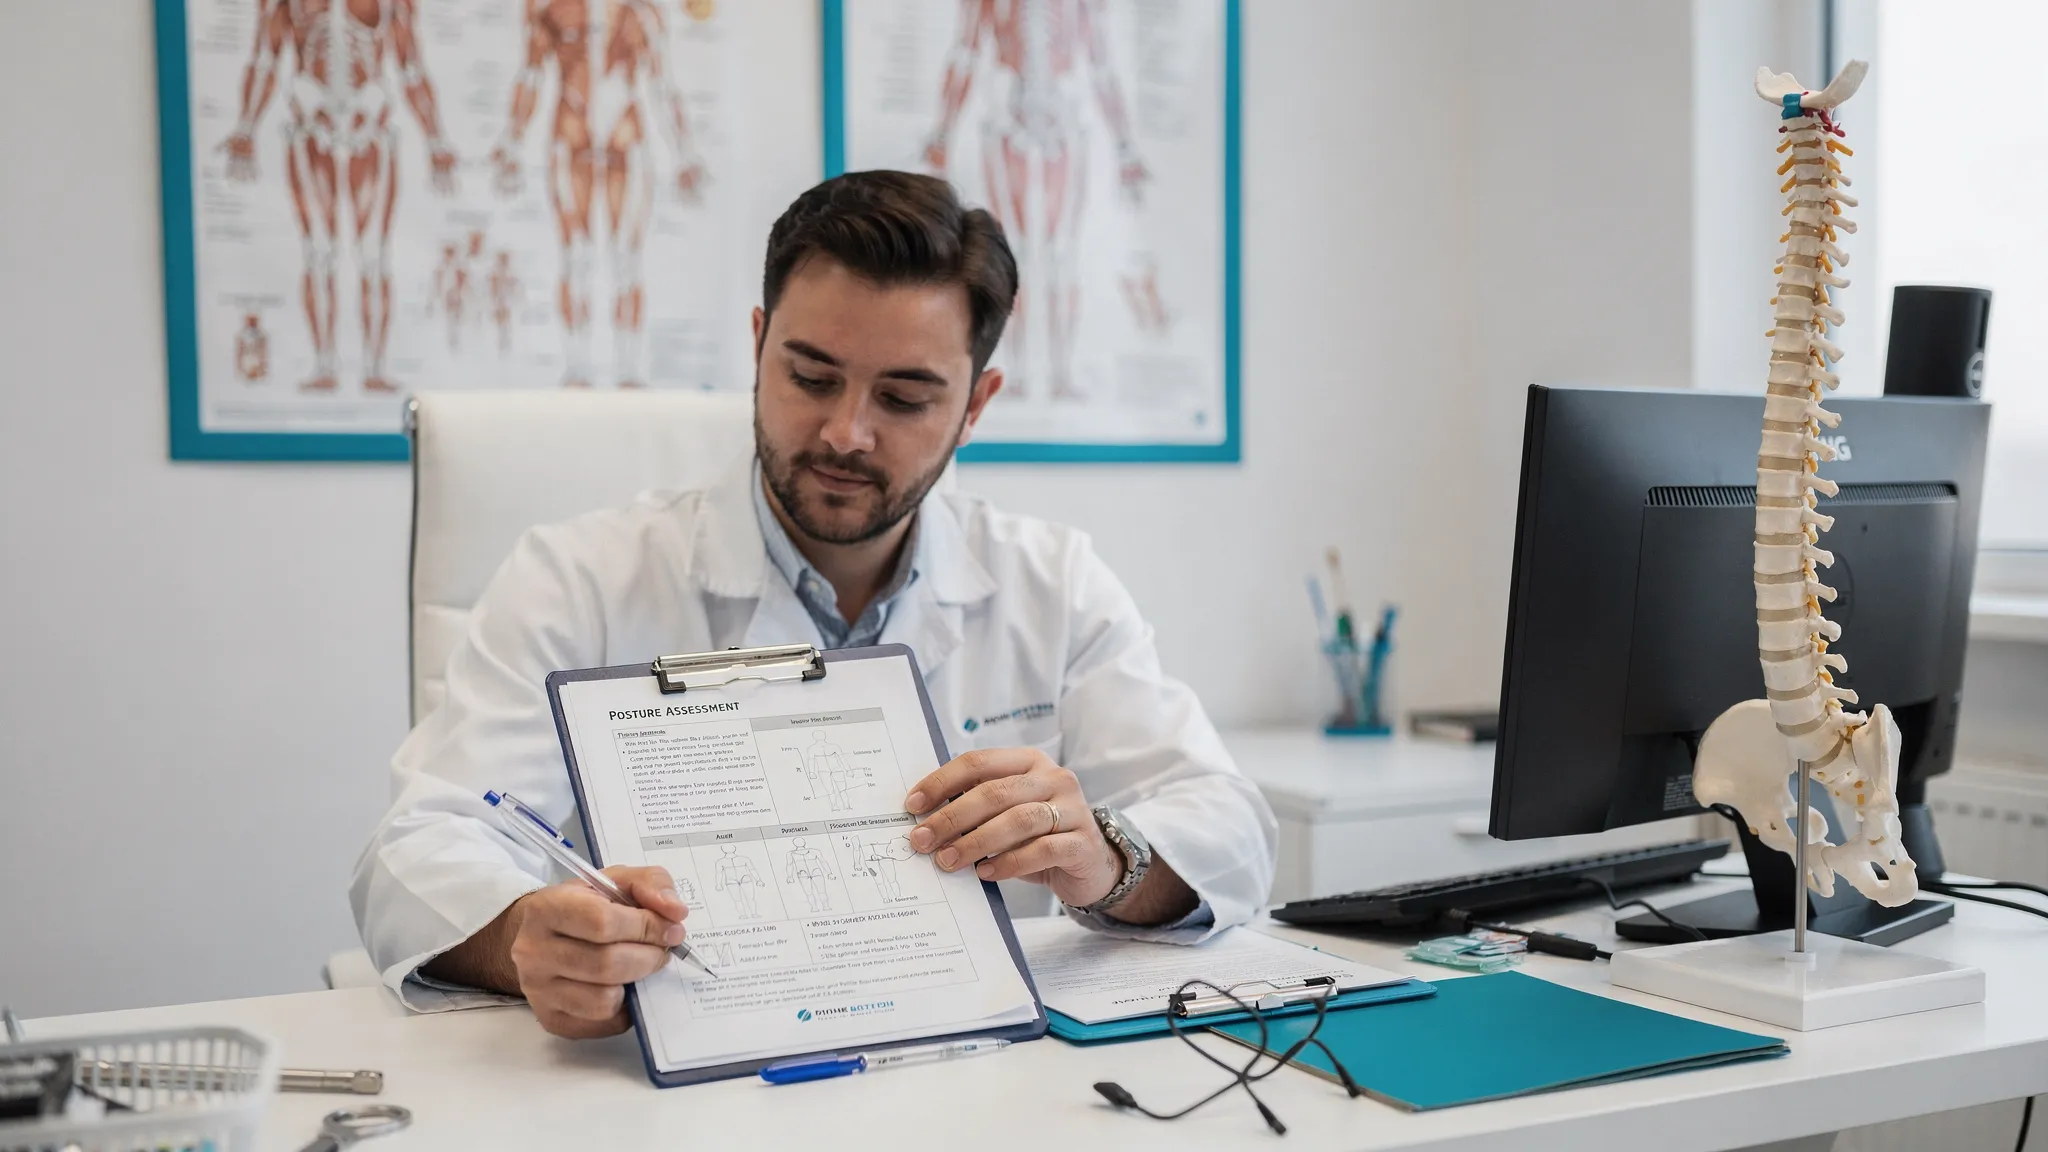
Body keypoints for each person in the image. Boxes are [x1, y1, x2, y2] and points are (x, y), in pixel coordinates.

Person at [350, 171, 1276, 1039]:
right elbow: (417, 848)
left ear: (976, 403)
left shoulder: (1051, 582)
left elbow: (1228, 821)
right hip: (675, 1074)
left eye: (906, 396)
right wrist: (524, 942)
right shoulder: (578, 577)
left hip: (966, 1075)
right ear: (757, 345)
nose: (845, 432)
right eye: (811, 376)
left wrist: (1109, 859)